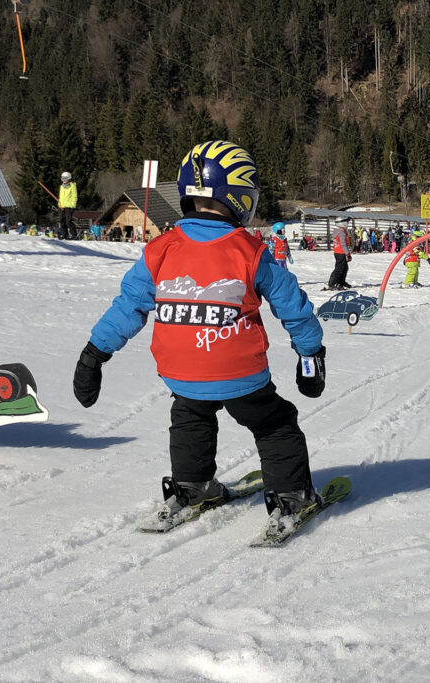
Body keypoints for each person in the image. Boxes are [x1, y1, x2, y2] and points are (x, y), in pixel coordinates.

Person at [72, 139, 327, 536]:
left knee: (190, 415)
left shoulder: (160, 248)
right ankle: (292, 495)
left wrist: (94, 354)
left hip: (181, 370)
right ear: (243, 195)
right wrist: (310, 356)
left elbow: (129, 306)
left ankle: (191, 486)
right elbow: (293, 307)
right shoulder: (251, 250)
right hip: (239, 371)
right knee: (275, 423)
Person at [327, 217, 352, 290]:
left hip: (338, 252)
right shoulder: (342, 233)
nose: (348, 224)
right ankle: (332, 283)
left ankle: (341, 282)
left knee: (344, 268)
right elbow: (343, 244)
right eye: (347, 222)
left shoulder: (338, 231)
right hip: (341, 252)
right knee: (339, 269)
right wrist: (348, 254)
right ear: (343, 223)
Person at [58, 171, 78, 240]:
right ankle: (64, 234)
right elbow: (61, 197)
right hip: (61, 206)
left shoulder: (72, 186)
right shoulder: (61, 187)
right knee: (61, 221)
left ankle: (74, 235)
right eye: (62, 178)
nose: (64, 180)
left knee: (68, 221)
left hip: (69, 206)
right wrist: (59, 204)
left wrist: (72, 206)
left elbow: (74, 196)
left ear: (69, 178)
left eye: (65, 178)